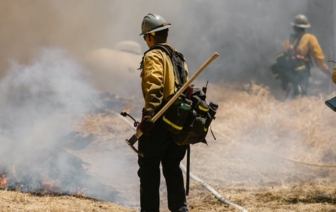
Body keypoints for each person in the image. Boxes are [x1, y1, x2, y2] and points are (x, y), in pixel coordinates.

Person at [137, 13, 189, 212]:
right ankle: (180, 209)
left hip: (159, 122)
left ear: (149, 36)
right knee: (173, 168)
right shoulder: (179, 57)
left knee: (149, 170)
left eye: (144, 37)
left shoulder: (153, 55)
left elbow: (154, 84)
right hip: (179, 123)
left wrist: (149, 114)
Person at [277, 14, 330, 97]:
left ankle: (292, 104)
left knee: (293, 90)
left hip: (289, 70)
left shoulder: (288, 40)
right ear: (305, 27)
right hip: (302, 69)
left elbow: (283, 56)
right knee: (302, 90)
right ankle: (300, 104)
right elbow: (318, 56)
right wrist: (325, 69)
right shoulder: (310, 38)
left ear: (294, 27)